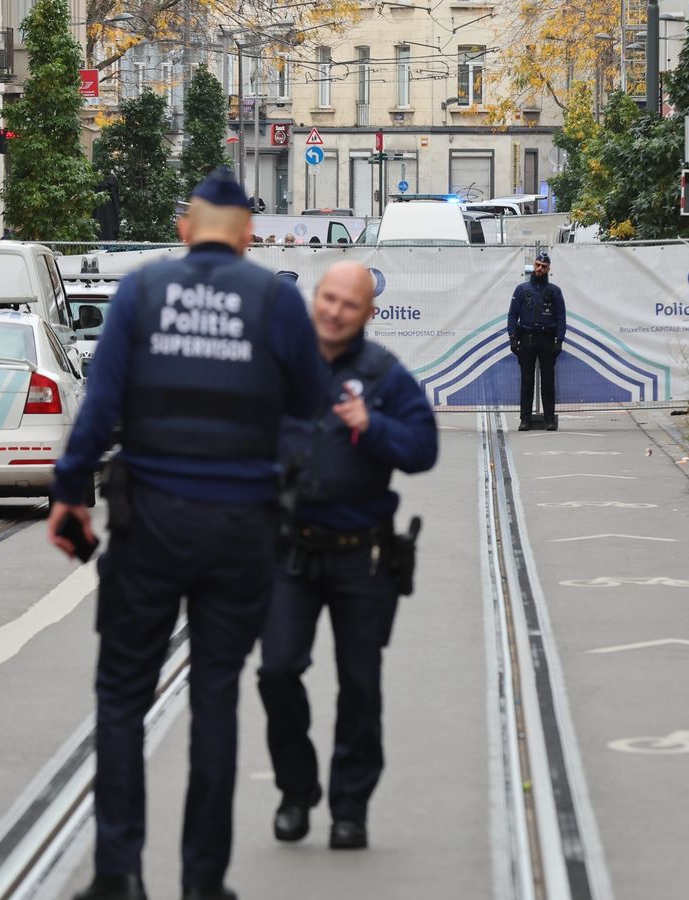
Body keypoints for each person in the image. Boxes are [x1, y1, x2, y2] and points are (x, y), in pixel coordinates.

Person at [48, 167, 326, 900]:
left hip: (151, 526)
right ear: (248, 238)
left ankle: (118, 875)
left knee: (121, 699)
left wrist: (69, 496)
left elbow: (99, 407)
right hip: (241, 531)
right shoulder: (276, 301)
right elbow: (312, 412)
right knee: (215, 699)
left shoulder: (141, 293)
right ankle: (203, 884)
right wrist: (280, 480)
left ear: (183, 228)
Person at [257, 261, 438, 851]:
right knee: (277, 671)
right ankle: (296, 787)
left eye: (349, 304)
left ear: (368, 313)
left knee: (361, 685)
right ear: (316, 300)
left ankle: (350, 806)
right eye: (328, 299)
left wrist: (374, 426)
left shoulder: (383, 374)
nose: (335, 311)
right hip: (290, 553)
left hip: (362, 556)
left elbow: (424, 449)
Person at [507, 250, 567, 431]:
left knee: (548, 381)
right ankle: (525, 419)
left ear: (549, 269)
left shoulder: (554, 291)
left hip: (547, 340)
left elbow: (561, 317)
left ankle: (549, 419)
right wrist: (513, 338)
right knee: (527, 381)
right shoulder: (522, 290)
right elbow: (512, 315)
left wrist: (559, 340)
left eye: (544, 267)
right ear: (534, 266)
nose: (540, 269)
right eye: (537, 265)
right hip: (527, 338)